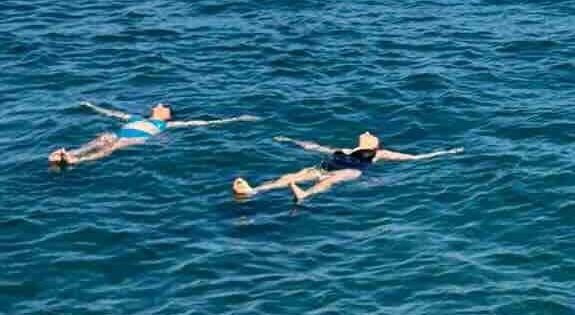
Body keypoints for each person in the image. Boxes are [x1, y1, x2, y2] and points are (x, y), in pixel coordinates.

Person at [231, 131, 463, 204]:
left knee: (329, 181)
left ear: (375, 143)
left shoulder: (380, 153)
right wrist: (290, 141)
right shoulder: (344, 148)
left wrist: (445, 153)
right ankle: (255, 191)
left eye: (372, 134)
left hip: (352, 171)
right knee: (294, 175)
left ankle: (305, 195)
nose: (367, 132)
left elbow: (414, 158)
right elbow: (315, 147)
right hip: (327, 165)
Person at [49, 101, 260, 167]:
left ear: (167, 114)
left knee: (111, 147)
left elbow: (203, 123)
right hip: (123, 133)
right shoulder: (134, 117)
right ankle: (70, 153)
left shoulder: (167, 126)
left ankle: (77, 161)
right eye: (159, 104)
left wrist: (238, 119)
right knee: (104, 137)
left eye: (163, 106)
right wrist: (90, 106)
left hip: (136, 139)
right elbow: (111, 113)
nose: (159, 105)